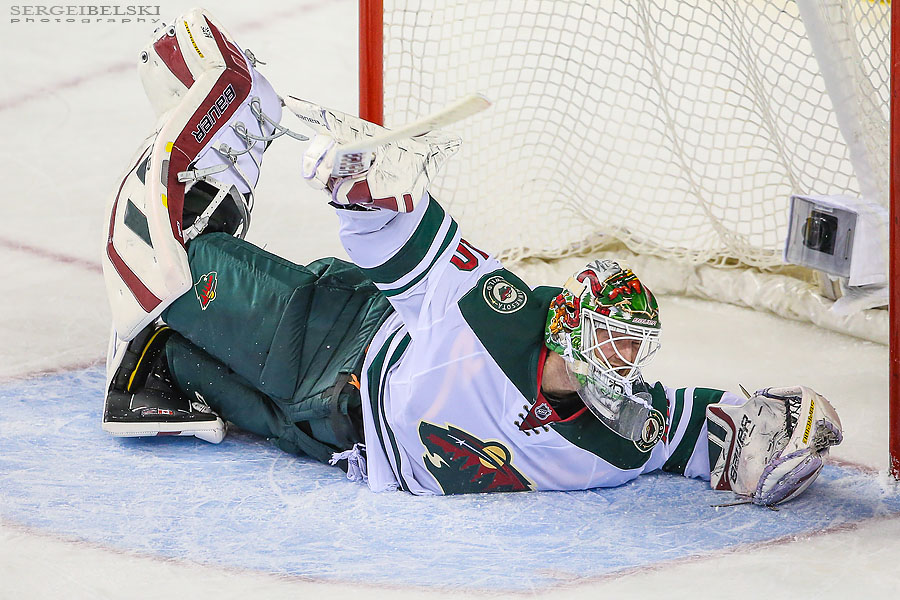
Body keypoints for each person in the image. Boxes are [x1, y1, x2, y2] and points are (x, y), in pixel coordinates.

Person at [101, 8, 843, 506]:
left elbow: (703, 432)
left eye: (631, 350)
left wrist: (774, 434)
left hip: (342, 437)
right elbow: (412, 247)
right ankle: (206, 140)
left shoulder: (625, 431)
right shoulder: (500, 313)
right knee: (180, 269)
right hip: (338, 341)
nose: (622, 366)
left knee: (176, 365)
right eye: (611, 342)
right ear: (567, 329)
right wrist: (366, 187)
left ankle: (154, 359)